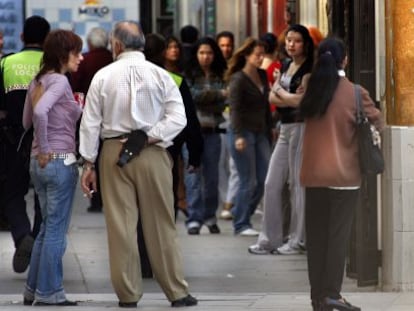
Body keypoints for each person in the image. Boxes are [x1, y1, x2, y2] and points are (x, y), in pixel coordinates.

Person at [79, 21, 197, 308]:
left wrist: (87, 164)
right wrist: (151, 137)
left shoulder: (102, 76)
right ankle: (176, 291)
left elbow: (90, 123)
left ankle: (128, 294)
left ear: (117, 45)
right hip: (153, 153)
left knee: (121, 225)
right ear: (142, 44)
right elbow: (178, 118)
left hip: (112, 152)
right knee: (161, 223)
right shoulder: (161, 75)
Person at [299, 37, 383, 311]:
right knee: (337, 237)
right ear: (344, 60)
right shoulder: (356, 93)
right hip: (344, 177)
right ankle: (332, 293)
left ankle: (317, 297)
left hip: (313, 176)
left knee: (316, 238)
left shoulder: (310, 86)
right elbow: (378, 122)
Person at [22, 29, 83, 306]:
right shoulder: (59, 80)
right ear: (63, 54)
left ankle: (33, 289)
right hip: (57, 160)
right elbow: (39, 112)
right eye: (76, 52)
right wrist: (47, 147)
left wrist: (42, 146)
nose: (80, 58)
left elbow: (26, 121)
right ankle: (50, 293)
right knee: (56, 230)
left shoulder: (38, 80)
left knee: (46, 228)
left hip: (39, 163)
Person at [248, 24, 314, 254]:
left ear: (305, 43)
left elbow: (300, 102)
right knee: (271, 182)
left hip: (301, 126)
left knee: (297, 184)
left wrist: (282, 95)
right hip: (284, 127)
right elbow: (272, 97)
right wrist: (287, 97)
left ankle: (298, 240)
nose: (291, 44)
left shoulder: (308, 68)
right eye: (288, 40)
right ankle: (270, 239)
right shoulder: (285, 65)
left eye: (296, 40)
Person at [0, 15, 50, 273]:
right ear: (47, 38)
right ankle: (36, 241)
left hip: (13, 142)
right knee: (44, 196)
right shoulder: (53, 65)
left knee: (12, 194)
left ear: (22, 37)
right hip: (46, 142)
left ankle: (22, 236)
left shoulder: (6, 63)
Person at [225, 37, 272, 236]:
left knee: (264, 179)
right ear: (246, 56)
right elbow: (234, 109)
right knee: (247, 179)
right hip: (242, 132)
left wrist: (270, 128)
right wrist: (238, 135)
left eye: (263, 54)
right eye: (257, 55)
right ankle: (241, 224)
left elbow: (265, 106)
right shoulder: (238, 79)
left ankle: (240, 212)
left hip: (261, 132)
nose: (261, 58)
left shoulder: (262, 75)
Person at [183, 36, 228, 235]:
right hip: (193, 133)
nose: (205, 57)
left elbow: (224, 103)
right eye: (201, 53)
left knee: (212, 178)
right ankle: (194, 218)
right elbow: (192, 98)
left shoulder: (221, 74)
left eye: (209, 53)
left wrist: (211, 98)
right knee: (193, 175)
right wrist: (218, 95)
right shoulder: (189, 75)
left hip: (213, 131)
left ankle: (210, 216)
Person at [70, 26, 113, 213]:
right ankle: (111, 197)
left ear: (89, 43)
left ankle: (96, 199)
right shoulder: (114, 60)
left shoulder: (85, 61)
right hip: (112, 116)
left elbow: (76, 88)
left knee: (93, 158)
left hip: (90, 114)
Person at [215, 30, 239, 221]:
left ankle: (229, 202)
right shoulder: (214, 68)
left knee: (234, 162)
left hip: (234, 117)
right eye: (222, 45)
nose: (226, 49)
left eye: (228, 45)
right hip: (219, 117)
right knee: (220, 162)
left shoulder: (236, 67)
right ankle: (225, 200)